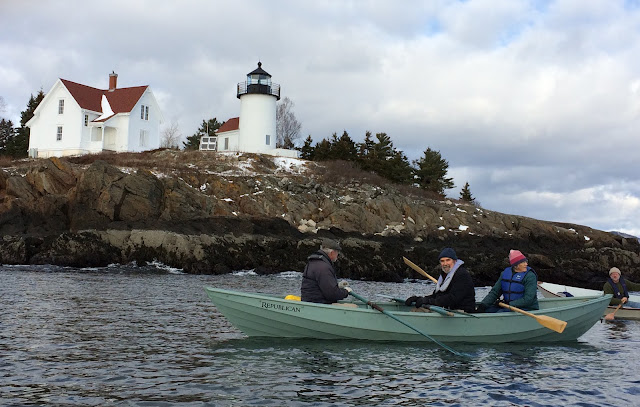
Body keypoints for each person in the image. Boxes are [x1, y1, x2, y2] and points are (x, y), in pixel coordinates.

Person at [404, 248, 476, 313]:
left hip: (463, 311)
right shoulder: (445, 275)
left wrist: (429, 301)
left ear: (454, 261)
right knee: (416, 309)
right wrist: (420, 299)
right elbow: (437, 295)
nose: (445, 264)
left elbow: (453, 298)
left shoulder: (462, 275)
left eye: (448, 260)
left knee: (418, 311)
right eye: (442, 261)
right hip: (449, 309)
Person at [300, 238, 352, 304]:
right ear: (332, 253)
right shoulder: (323, 268)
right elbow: (332, 294)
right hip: (319, 304)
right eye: (337, 252)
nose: (337, 255)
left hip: (310, 302)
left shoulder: (313, 262)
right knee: (353, 307)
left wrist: (337, 286)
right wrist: (346, 291)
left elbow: (322, 286)